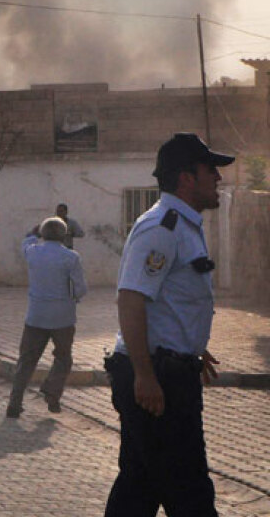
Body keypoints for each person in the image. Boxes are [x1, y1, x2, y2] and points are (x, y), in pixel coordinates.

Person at [103, 132, 233, 517]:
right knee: (190, 491)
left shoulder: (183, 226)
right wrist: (145, 374)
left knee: (139, 487)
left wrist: (192, 344)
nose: (219, 179)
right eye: (211, 170)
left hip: (168, 369)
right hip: (158, 379)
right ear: (186, 178)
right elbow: (131, 298)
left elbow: (171, 299)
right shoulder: (163, 227)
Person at [6, 217, 87, 418]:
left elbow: (26, 241)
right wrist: (73, 298)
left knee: (26, 360)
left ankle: (15, 403)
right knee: (63, 358)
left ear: (43, 234)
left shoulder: (33, 252)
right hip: (63, 317)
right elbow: (80, 288)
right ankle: (52, 393)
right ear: (64, 235)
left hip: (36, 315)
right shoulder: (71, 257)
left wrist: (34, 232)